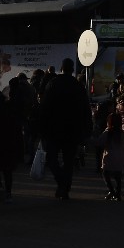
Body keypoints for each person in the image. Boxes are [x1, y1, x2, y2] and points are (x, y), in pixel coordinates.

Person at [38, 58, 91, 199]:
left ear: (61, 68)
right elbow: (85, 109)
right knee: (68, 161)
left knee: (52, 158)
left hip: (54, 128)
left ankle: (61, 182)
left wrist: (42, 127)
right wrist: (86, 129)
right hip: (72, 129)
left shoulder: (53, 84)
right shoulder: (78, 86)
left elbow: (45, 107)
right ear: (72, 69)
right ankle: (65, 188)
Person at [93, 110, 124, 200]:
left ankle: (111, 191)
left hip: (109, 156)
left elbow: (99, 142)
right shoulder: (122, 133)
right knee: (118, 176)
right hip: (121, 156)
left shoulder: (108, 132)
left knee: (106, 174)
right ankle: (118, 193)